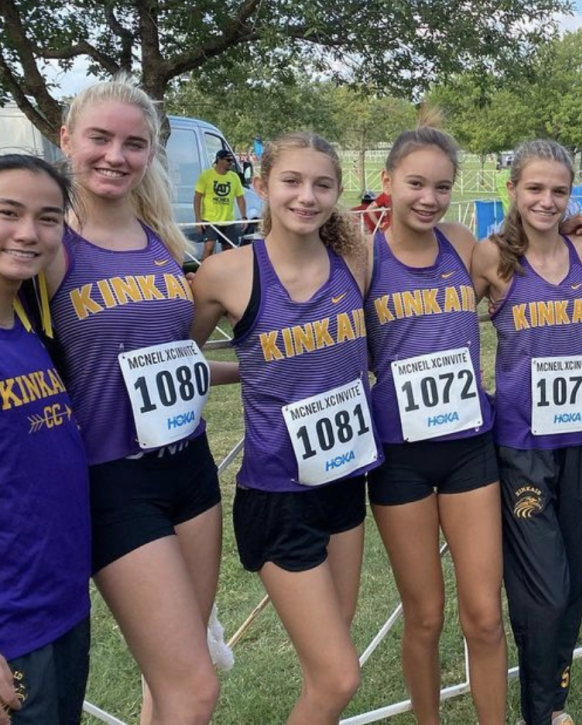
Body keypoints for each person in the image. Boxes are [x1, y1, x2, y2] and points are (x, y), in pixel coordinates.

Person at [43, 77, 224, 725]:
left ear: (151, 153)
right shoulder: (49, 249)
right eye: (100, 137)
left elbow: (174, 357)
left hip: (192, 470)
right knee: (195, 687)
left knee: (173, 675)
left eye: (134, 143)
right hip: (113, 483)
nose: (115, 155)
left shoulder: (162, 241)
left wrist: (258, 372)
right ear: (67, 139)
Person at [190, 132, 378, 725]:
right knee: (341, 676)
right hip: (277, 497)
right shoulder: (225, 272)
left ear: (337, 192)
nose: (306, 196)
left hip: (346, 483)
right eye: (292, 182)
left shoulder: (356, 258)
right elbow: (174, 361)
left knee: (332, 655)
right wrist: (241, 374)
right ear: (262, 185)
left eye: (322, 184)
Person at [363, 124, 506, 725]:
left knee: (485, 616)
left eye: (441, 186)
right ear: (387, 182)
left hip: (470, 448)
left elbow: (517, 262)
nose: (428, 197)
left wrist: (578, 230)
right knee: (424, 616)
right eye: (416, 183)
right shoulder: (359, 256)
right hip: (399, 456)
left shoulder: (460, 241)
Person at [472, 139, 582, 725]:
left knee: (572, 580)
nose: (547, 201)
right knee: (544, 588)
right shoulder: (492, 257)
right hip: (523, 444)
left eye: (558, 190)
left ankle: (550, 705)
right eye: (535, 189)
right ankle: (537, 708)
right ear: (513, 191)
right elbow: (447, 326)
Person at [0, 155, 90, 725]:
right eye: (7, 213)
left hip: (62, 606)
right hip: (13, 627)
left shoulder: (30, 328)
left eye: (48, 217)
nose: (29, 233)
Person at [193, 148, 247, 260]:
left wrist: (244, 217)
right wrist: (198, 220)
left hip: (228, 220)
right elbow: (197, 198)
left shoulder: (234, 177)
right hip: (210, 219)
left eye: (232, 160)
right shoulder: (206, 176)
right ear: (219, 159)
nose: (231, 163)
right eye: (228, 160)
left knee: (228, 249)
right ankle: (203, 273)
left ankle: (224, 274)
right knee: (209, 247)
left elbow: (240, 198)